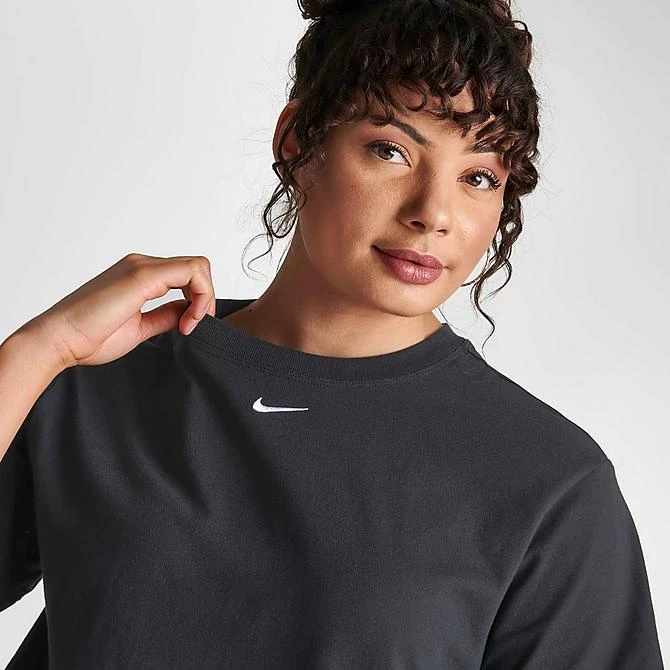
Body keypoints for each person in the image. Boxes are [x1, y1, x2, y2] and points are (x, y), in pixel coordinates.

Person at [0, 0, 664, 667]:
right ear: (299, 143)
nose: (433, 212)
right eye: (391, 150)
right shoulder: (100, 371)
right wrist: (36, 351)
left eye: (479, 177)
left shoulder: (548, 480)